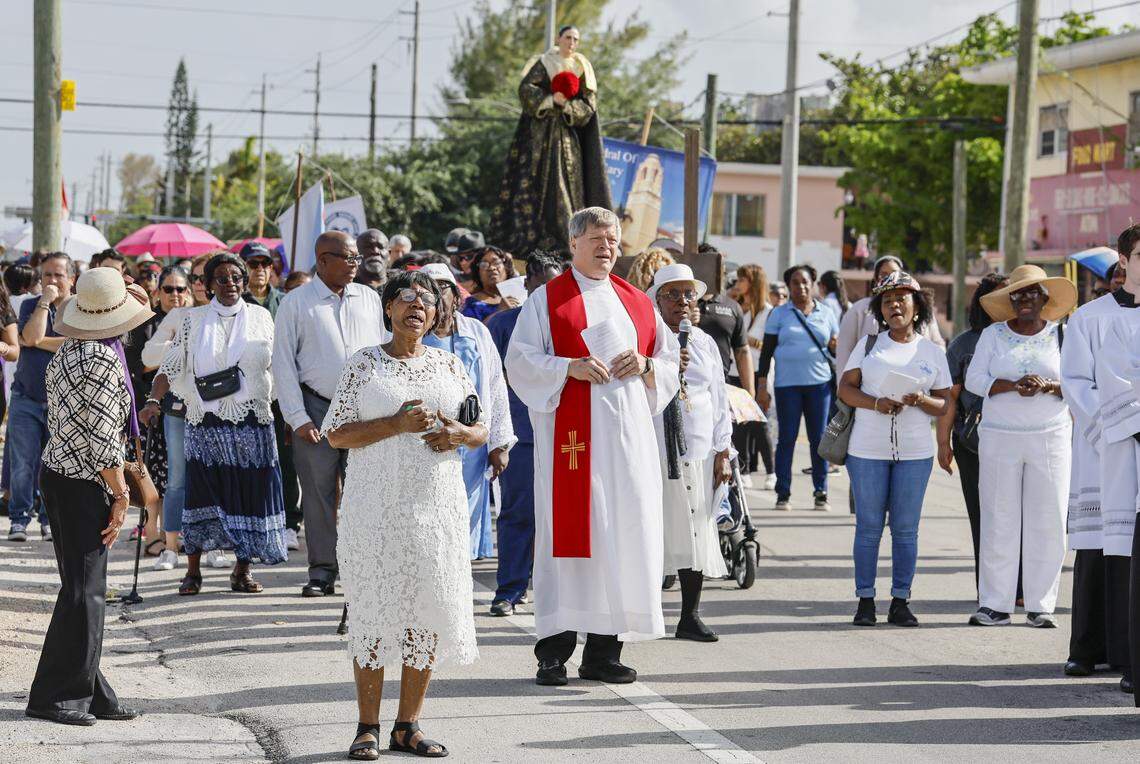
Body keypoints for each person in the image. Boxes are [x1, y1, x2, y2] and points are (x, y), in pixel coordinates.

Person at [505, 207, 680, 686]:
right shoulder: (547, 299)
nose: (609, 247)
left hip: (628, 449)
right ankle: (554, 652)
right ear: (574, 243)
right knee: (570, 543)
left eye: (615, 240)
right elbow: (520, 361)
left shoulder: (637, 303)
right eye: (599, 239)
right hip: (574, 445)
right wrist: (569, 368)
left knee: (621, 540)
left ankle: (604, 652)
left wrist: (645, 365)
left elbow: (669, 362)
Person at [322, 270, 487, 760]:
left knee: (425, 612)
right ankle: (367, 727)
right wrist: (394, 425)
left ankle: (408, 726)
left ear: (437, 314)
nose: (417, 306)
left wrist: (457, 433)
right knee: (373, 610)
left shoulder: (449, 365)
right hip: (374, 506)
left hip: (435, 506)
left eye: (427, 301)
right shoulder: (364, 365)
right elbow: (335, 435)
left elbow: (482, 428)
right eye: (406, 298)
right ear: (389, 309)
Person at [26, 268, 151, 726]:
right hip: (85, 482)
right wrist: (120, 496)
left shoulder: (73, 351)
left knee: (83, 589)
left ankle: (92, 691)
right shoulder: (100, 360)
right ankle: (54, 696)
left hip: (62, 476)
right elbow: (102, 441)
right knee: (84, 593)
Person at [144, 253, 287, 595]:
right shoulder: (192, 320)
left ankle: (242, 570)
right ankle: (192, 572)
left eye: (237, 277)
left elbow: (277, 367)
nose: (231, 284)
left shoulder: (262, 317)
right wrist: (152, 401)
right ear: (208, 286)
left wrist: (287, 412)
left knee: (248, 495)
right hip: (205, 423)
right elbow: (171, 367)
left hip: (252, 422)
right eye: (222, 279)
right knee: (201, 493)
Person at [272, 230, 386, 598]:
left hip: (365, 411)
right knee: (319, 495)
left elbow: (385, 352)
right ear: (323, 260)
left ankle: (363, 568)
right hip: (316, 408)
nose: (356, 264)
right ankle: (322, 571)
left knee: (364, 491)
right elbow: (283, 364)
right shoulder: (297, 303)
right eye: (349, 258)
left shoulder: (369, 299)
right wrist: (298, 417)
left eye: (356, 258)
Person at [962, 266, 1074, 628]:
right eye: (1018, 294)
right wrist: (1013, 385)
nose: (1025, 300)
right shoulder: (994, 335)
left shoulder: (1062, 335)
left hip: (1050, 436)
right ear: (1010, 301)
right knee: (999, 518)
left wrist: (1048, 386)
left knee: (1049, 520)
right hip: (1000, 437)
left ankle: (1041, 604)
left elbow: (1080, 382)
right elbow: (974, 380)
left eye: (1033, 293)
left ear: (1045, 299)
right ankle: (995, 604)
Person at [838, 271, 951, 628]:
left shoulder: (932, 351)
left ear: (917, 307)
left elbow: (945, 403)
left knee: (905, 530)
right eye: (888, 301)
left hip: (916, 453)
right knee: (869, 528)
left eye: (902, 299)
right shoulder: (870, 345)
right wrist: (876, 403)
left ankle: (901, 600)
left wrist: (921, 399)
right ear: (880, 310)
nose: (895, 305)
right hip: (867, 449)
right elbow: (845, 388)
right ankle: (865, 600)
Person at [1061, 223, 1140, 692]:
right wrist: (1124, 426)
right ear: (1124, 260)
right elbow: (1075, 381)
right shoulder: (1090, 318)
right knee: (1102, 545)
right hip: (1106, 446)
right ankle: (1090, 648)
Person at [648, 264, 732, 641]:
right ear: (657, 299)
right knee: (655, 530)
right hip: (654, 450)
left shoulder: (704, 341)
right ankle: (645, 615)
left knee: (695, 531)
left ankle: (690, 616)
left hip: (698, 448)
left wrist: (723, 451)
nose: (682, 302)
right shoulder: (646, 340)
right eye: (673, 294)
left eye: (689, 294)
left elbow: (719, 397)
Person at [419, 263, 515, 560]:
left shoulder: (476, 332)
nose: (435, 296)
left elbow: (495, 386)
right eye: (427, 290)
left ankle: (458, 580)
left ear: (455, 295)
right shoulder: (413, 334)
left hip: (472, 442)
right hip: (426, 441)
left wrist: (499, 443)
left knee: (466, 513)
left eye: (442, 288)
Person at [488, 26, 613, 254]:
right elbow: (526, 89)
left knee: (567, 183)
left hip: (568, 138)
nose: (572, 42)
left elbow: (589, 104)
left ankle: (567, 239)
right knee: (532, 181)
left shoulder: (582, 66)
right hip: (539, 136)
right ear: (558, 38)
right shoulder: (545, 62)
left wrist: (567, 105)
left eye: (576, 39)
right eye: (568, 38)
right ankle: (531, 237)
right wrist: (550, 99)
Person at [487, 253, 565, 616]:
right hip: (521, 435)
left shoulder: (571, 325)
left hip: (568, 437)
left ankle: (564, 594)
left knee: (566, 516)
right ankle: (510, 589)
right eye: (545, 283)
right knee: (518, 512)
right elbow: (489, 386)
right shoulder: (502, 325)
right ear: (529, 282)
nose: (552, 292)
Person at [936, 272, 1010, 593]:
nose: (1006, 303)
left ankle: (1019, 586)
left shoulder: (1027, 340)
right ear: (983, 303)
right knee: (981, 516)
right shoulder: (963, 345)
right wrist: (943, 442)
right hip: (972, 443)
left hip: (1017, 439)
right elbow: (949, 398)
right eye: (998, 297)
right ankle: (989, 587)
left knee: (1014, 516)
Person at [756, 264, 840, 511]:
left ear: (813, 284)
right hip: (787, 386)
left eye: (805, 282)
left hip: (819, 386)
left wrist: (835, 346)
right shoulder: (779, 314)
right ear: (789, 286)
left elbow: (835, 346)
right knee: (787, 439)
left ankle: (820, 491)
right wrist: (762, 386)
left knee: (819, 439)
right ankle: (783, 492)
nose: (801, 286)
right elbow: (766, 353)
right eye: (795, 282)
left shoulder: (826, 313)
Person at [124, 265, 191, 557]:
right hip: (148, 408)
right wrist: (175, 349)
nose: (174, 295)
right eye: (168, 289)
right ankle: (151, 534)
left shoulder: (194, 320)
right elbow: (139, 363)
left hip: (182, 408)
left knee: (175, 479)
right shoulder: (145, 322)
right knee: (150, 477)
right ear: (157, 292)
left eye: (180, 289)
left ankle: (171, 534)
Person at [8, 253, 74, 542]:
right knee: (22, 462)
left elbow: (70, 342)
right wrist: (45, 302)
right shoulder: (30, 305)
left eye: (58, 275)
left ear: (71, 278)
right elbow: (29, 335)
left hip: (63, 401)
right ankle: (19, 520)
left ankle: (50, 520)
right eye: (47, 275)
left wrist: (37, 341)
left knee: (55, 465)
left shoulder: (78, 309)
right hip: (26, 396)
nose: (52, 280)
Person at [836, 255, 945, 375]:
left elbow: (938, 346)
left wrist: (931, 375)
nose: (890, 278)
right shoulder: (858, 312)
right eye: (884, 274)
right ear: (875, 280)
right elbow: (844, 352)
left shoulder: (924, 317)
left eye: (895, 273)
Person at [728, 264, 775, 488]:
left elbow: (769, 345)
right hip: (735, 372)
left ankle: (771, 471)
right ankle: (744, 470)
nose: (738, 284)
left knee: (759, 424)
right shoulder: (736, 308)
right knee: (739, 424)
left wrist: (749, 341)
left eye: (742, 280)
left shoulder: (768, 312)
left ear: (753, 282)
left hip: (757, 374)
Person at [461, 246, 518, 321]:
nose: (492, 268)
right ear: (478, 273)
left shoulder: (519, 294)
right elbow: (472, 331)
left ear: (506, 268)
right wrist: (499, 312)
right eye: (484, 265)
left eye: (496, 262)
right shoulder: (471, 305)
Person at [240, 242, 284, 316]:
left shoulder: (284, 300)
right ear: (241, 267)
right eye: (253, 263)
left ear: (270, 268)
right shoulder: (234, 301)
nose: (260, 268)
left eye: (265, 263)